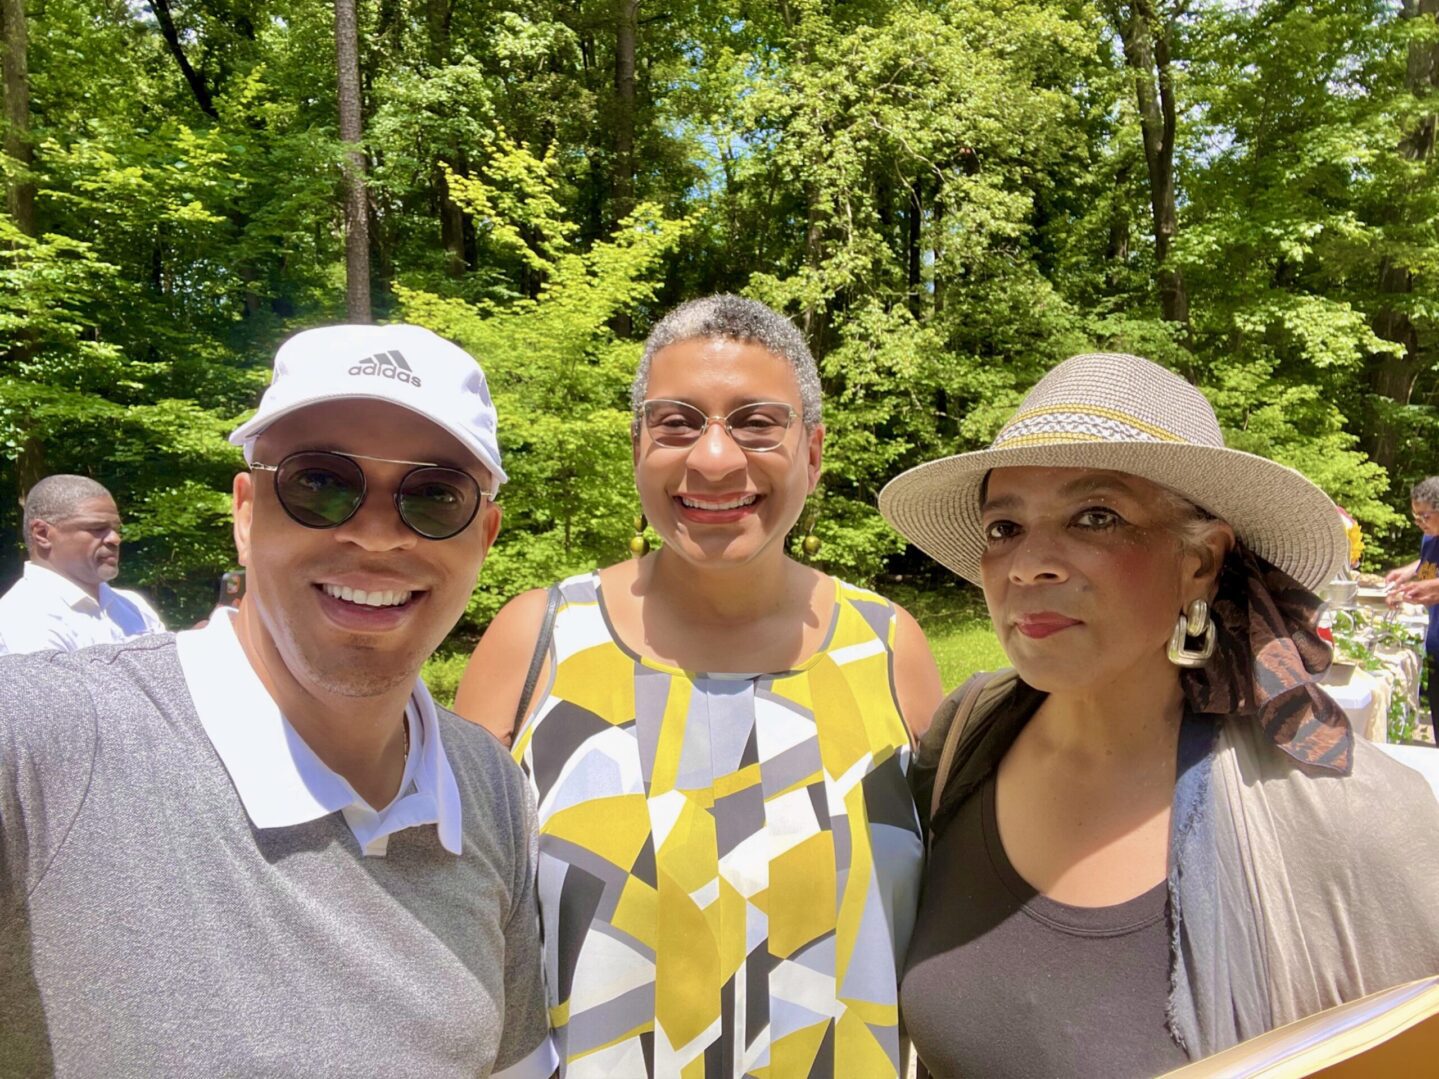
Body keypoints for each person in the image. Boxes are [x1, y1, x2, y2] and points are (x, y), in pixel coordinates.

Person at [0, 324, 555, 1077]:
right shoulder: (48, 741)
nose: (377, 536)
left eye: (433, 494)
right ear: (245, 512)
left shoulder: (486, 786)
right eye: (320, 481)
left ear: (483, 535)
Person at [880, 352, 1439, 1077]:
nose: (1027, 564)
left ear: (1200, 562)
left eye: (1095, 516)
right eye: (1003, 526)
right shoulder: (961, 740)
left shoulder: (1348, 817)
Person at [453, 294, 943, 1077]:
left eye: (756, 422)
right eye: (676, 422)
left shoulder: (888, 651)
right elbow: (448, 924)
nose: (713, 458)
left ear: (813, 452)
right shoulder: (537, 643)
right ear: (637, 445)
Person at [0, 474, 166, 655]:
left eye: (116, 529)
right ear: (42, 534)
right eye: (97, 529)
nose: (115, 539)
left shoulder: (134, 605)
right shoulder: (22, 617)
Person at [1384, 476, 1439, 732]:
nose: (1419, 523)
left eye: (1424, 516)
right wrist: (1409, 573)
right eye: (1415, 517)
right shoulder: (1430, 538)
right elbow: (1427, 566)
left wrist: (1431, 588)